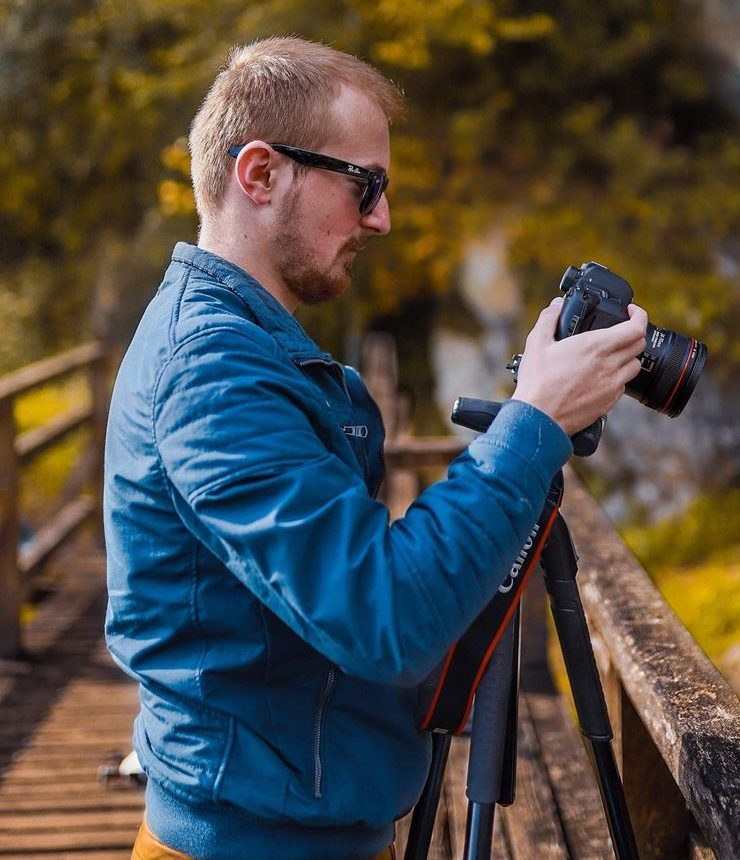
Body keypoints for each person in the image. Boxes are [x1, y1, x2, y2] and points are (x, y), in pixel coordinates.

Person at [104, 36, 648, 860]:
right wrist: (533, 424)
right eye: (365, 184)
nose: (382, 218)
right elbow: (381, 617)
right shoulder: (213, 371)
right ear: (260, 174)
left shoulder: (242, 346)